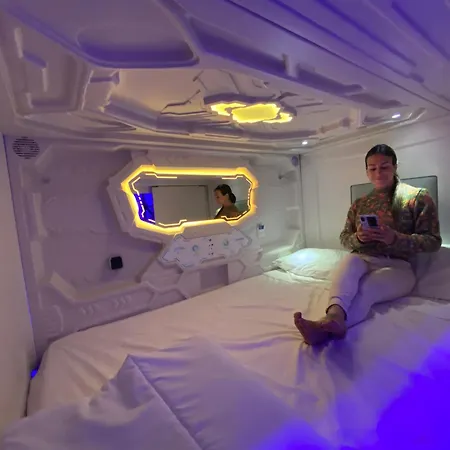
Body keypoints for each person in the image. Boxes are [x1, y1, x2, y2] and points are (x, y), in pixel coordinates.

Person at [294, 144, 442, 345]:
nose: (378, 173)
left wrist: (395, 238)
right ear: (366, 171)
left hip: (399, 267)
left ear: (395, 167)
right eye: (372, 168)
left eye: (384, 167)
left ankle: (325, 330)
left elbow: (433, 241)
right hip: (363, 258)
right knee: (349, 264)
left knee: (367, 288)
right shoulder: (360, 203)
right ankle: (333, 316)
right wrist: (359, 238)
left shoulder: (417, 197)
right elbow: (344, 237)